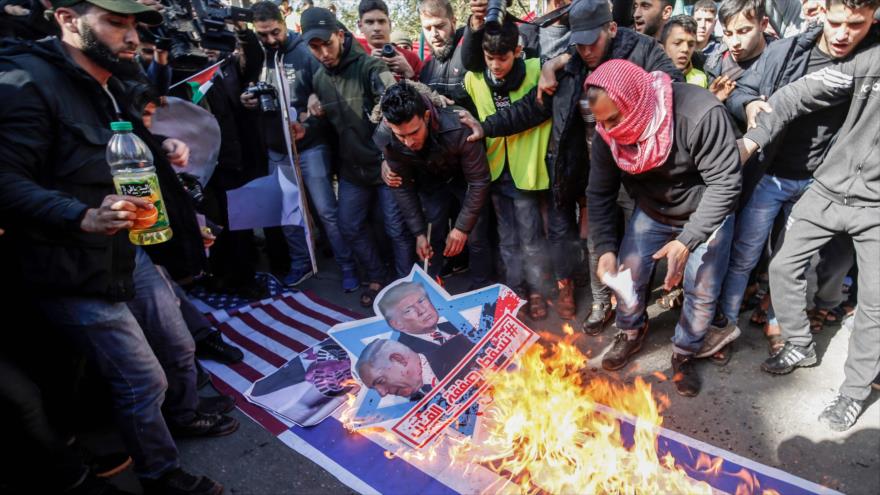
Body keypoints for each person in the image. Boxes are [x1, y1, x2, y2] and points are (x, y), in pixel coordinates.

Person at [0, 0, 239, 492]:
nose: (131, 38)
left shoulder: (107, 84)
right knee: (141, 377)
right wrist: (82, 216)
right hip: (70, 266)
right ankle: (160, 473)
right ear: (68, 19)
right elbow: (6, 180)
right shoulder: (26, 83)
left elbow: (120, 146)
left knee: (177, 344)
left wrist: (161, 147)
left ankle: (185, 415)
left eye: (133, 26)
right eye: (115, 23)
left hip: (129, 250)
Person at [461, 0, 683, 330]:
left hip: (639, 169)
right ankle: (599, 301)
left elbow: (674, 88)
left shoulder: (642, 49)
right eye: (577, 42)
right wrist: (487, 126)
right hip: (589, 169)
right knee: (597, 239)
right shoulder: (573, 61)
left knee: (637, 245)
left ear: (610, 29)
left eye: (592, 41)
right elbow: (531, 109)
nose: (585, 49)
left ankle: (632, 311)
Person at [739, 1, 880, 432]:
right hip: (828, 188)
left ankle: (854, 393)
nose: (842, 33)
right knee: (782, 264)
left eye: (854, 24)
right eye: (835, 23)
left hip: (875, 206)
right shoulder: (863, 63)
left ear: (873, 16)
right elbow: (794, 96)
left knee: (875, 303)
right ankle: (800, 344)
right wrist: (751, 142)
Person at [586, 60, 742, 397]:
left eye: (615, 119)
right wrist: (605, 250)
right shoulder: (606, 132)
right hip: (653, 209)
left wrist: (687, 242)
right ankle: (630, 331)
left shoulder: (699, 113)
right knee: (629, 270)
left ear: (635, 101)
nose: (609, 130)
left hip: (705, 209)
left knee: (701, 286)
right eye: (602, 122)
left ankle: (686, 351)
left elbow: (726, 185)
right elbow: (599, 192)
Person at [300, 7, 414, 307]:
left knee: (395, 227)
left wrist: (390, 157)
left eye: (327, 43)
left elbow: (396, 108)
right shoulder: (319, 79)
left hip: (385, 165)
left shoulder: (370, 67)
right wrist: (308, 121)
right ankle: (376, 277)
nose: (323, 52)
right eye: (315, 47)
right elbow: (328, 124)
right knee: (349, 224)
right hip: (351, 171)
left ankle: (407, 282)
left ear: (340, 34)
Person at [244, 1, 358, 291]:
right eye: (263, 35)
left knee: (326, 211)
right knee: (288, 211)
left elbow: (327, 95)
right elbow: (247, 85)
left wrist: (312, 114)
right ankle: (300, 263)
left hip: (310, 145)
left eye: (274, 32)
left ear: (284, 23)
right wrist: (248, 100)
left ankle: (348, 266)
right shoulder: (257, 54)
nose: (270, 40)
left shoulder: (305, 50)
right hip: (276, 146)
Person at [375, 82, 493, 289]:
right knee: (431, 233)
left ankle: (481, 287)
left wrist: (461, 228)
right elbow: (402, 187)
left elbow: (479, 181)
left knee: (475, 235)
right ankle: (433, 286)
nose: (409, 142)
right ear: (387, 123)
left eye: (414, 132)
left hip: (465, 179)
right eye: (401, 136)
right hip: (430, 180)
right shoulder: (386, 136)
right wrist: (419, 233)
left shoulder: (458, 124)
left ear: (427, 116)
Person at [376, 281, 475, 358]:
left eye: (421, 301)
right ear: (397, 324)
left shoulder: (453, 324)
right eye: (409, 310)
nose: (421, 310)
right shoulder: (405, 354)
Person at [704, 0, 775, 103]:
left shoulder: (779, 63)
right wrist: (710, 100)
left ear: (763, 24)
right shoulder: (714, 60)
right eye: (728, 33)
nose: (734, 42)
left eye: (743, 31)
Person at [356, 338, 468, 398]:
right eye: (375, 389)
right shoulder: (413, 405)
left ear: (399, 360)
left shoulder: (461, 349)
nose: (382, 393)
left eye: (380, 381)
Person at [356, 0, 421, 80]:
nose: (377, 28)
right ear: (360, 26)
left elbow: (426, 91)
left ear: (389, 24)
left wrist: (408, 72)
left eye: (381, 22)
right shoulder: (354, 58)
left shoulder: (411, 58)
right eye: (370, 22)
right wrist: (367, 68)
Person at [662, 14, 708, 87]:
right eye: (677, 43)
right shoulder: (652, 76)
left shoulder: (701, 78)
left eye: (691, 45)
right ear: (663, 46)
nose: (685, 49)